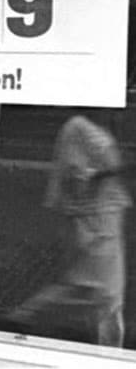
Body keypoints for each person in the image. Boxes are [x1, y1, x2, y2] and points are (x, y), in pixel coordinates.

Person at [7, 114, 130, 346]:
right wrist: (114, 169)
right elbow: (78, 177)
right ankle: (26, 317)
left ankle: (105, 350)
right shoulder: (78, 128)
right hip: (93, 221)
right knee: (98, 292)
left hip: (105, 216)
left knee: (105, 296)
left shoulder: (96, 125)